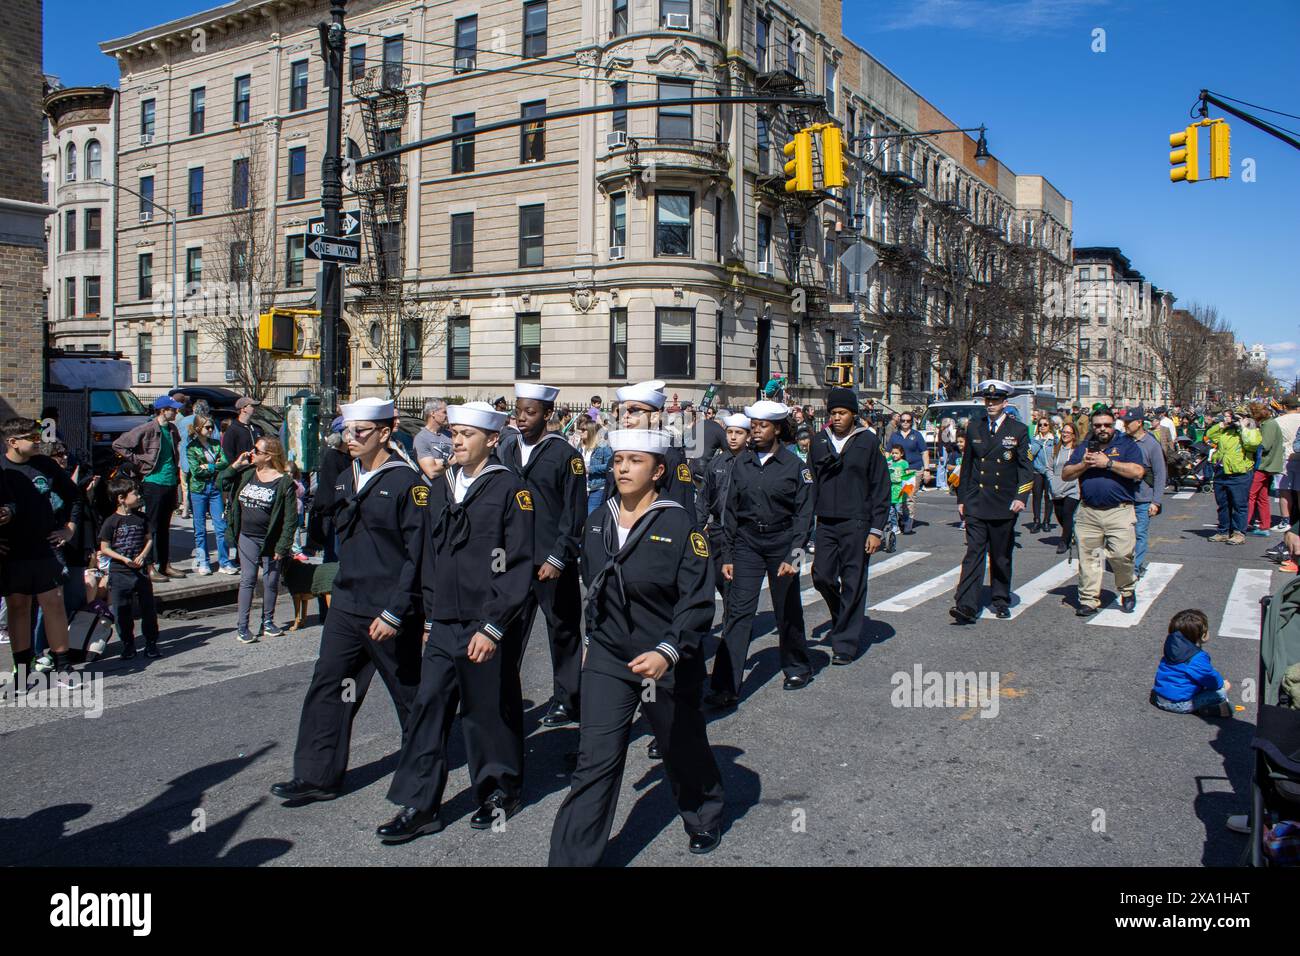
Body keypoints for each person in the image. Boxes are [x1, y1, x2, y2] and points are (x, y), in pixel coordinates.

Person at [549, 428, 724, 865]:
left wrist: (668, 649)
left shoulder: (679, 523)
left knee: (678, 743)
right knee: (595, 760)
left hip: (664, 657)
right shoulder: (597, 520)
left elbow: (697, 600)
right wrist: (593, 640)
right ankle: (571, 859)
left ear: (658, 471)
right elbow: (593, 586)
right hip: (609, 655)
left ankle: (703, 812)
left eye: (635, 461)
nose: (623, 468)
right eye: (619, 459)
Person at [379, 402, 534, 843]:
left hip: (485, 621)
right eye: (455, 433)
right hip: (445, 620)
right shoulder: (441, 485)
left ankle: (499, 790)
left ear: (491, 440)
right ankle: (420, 803)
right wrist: (427, 614)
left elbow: (518, 563)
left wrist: (493, 625)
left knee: (487, 709)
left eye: (468, 434)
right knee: (429, 707)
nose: (458, 441)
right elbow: (426, 554)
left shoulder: (510, 488)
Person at [271, 397, 429, 804]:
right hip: (346, 604)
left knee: (411, 697)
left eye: (360, 431)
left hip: (389, 609)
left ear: (385, 433)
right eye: (347, 431)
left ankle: (422, 784)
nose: (352, 438)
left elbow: (419, 555)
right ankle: (316, 775)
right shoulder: (344, 478)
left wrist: (398, 610)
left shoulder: (407, 484)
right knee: (329, 686)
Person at [708, 400, 813, 705]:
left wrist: (795, 555)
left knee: (786, 609)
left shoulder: (795, 467)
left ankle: (796, 666)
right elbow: (730, 511)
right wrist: (727, 555)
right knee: (738, 612)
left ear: (777, 429)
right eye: (753, 426)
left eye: (762, 426)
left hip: (782, 543)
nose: (755, 431)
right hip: (747, 544)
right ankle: (725, 685)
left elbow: (804, 515)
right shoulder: (743, 462)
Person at [499, 382, 587, 729]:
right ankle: (503, 695)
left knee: (562, 631)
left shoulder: (566, 455)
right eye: (518, 411)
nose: (521, 418)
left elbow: (574, 511)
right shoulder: (505, 450)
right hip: (515, 559)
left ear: (548, 414)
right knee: (507, 630)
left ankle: (567, 700)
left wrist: (559, 556)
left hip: (551, 560)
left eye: (530, 412)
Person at [807, 388, 889, 663]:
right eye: (833, 413)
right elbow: (811, 485)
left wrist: (877, 529)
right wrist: (806, 527)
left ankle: (845, 644)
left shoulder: (867, 441)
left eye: (842, 413)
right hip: (827, 522)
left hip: (857, 522)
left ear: (854, 414)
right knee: (821, 576)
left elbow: (880, 486)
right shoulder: (819, 441)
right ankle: (841, 614)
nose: (837, 418)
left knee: (853, 581)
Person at [0, 418, 81, 686]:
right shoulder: (2, 469)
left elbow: (74, 496)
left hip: (44, 548)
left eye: (39, 436)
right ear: (12, 442)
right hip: (11, 552)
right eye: (31, 438)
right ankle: (22, 672)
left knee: (53, 603)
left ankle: (64, 667)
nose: (38, 441)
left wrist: (69, 529)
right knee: (18, 606)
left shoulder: (44, 465)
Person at [949, 381, 1032, 624]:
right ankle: (966, 605)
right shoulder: (975, 428)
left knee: (1000, 556)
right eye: (988, 400)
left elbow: (1026, 469)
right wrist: (962, 499)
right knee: (973, 553)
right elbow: (967, 467)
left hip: (1004, 503)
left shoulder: (1018, 430)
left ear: (1005, 403)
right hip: (977, 502)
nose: (991, 404)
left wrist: (1021, 497)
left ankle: (1000, 598)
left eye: (995, 401)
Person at [1061, 406, 1146, 617]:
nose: (1102, 429)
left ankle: (1127, 590)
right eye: (1098, 425)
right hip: (1089, 512)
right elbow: (1066, 474)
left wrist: (1108, 463)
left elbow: (1138, 471)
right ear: (1092, 426)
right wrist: (1084, 463)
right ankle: (1089, 599)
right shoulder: (1084, 447)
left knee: (1121, 555)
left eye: (1107, 425)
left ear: (1113, 424)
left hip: (1119, 511)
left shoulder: (1126, 444)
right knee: (1089, 557)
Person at [222, 436, 296, 643]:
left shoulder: (284, 482)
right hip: (246, 535)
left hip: (270, 539)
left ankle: (268, 622)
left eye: (256, 450)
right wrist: (235, 465)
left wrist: (283, 545)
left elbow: (291, 519)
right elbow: (222, 481)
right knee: (248, 579)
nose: (251, 452)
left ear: (269, 456)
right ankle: (243, 627)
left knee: (271, 580)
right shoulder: (246, 474)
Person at [113, 395, 186, 581]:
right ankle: (150, 565)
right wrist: (140, 463)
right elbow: (119, 444)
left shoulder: (171, 429)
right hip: (154, 482)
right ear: (163, 410)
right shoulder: (148, 428)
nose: (176, 412)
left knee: (164, 526)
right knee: (151, 526)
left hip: (170, 482)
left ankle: (165, 563)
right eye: (173, 409)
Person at [98, 477, 160, 660]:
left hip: (140, 570)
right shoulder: (111, 521)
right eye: (134, 493)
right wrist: (124, 559)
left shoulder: (141, 518)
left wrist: (143, 555)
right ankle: (128, 644)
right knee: (122, 611)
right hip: (120, 572)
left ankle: (151, 643)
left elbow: (149, 538)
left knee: (148, 608)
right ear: (121, 498)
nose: (138, 495)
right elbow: (104, 547)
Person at [614, 380, 696, 510]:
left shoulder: (670, 458)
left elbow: (682, 507)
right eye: (623, 410)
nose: (625, 416)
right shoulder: (617, 453)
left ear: (654, 417)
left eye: (634, 410)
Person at [697, 413, 749, 602]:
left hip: (743, 530)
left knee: (736, 580)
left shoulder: (753, 462)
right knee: (718, 576)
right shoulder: (717, 462)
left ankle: (735, 624)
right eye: (730, 432)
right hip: (718, 528)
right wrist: (697, 526)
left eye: (739, 433)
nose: (733, 437)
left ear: (748, 436)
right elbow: (704, 498)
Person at [1150, 608, 1232, 717]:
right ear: (1202, 635)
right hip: (1179, 704)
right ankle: (1208, 710)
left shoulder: (1172, 647)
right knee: (1222, 690)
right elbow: (1212, 681)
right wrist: (1222, 684)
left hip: (1158, 697)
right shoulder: (1196, 657)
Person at [185, 415, 237, 576]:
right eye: (207, 427)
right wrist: (214, 467)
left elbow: (225, 462)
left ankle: (224, 562)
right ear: (198, 428)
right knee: (199, 528)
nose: (210, 430)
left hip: (214, 488)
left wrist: (209, 466)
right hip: (198, 489)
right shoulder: (191, 447)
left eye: (211, 427)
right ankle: (203, 561)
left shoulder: (215, 444)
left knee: (221, 526)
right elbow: (196, 471)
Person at [1122, 407, 1167, 578]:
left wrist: (1156, 501)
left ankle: (1135, 567)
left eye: (1128, 422)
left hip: (1143, 498)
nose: (1125, 425)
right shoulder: (1123, 440)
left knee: (1140, 533)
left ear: (1139, 423)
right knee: (1123, 535)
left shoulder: (1151, 444)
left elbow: (1160, 473)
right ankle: (1125, 563)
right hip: (1124, 497)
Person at [1206, 408, 1261, 545]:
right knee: (1223, 504)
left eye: (1232, 417)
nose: (1228, 419)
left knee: (1239, 504)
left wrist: (1243, 426)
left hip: (1240, 473)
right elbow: (1209, 435)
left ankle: (1238, 532)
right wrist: (1221, 425)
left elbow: (1252, 444)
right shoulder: (1225, 431)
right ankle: (1223, 531)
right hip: (1222, 471)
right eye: (1226, 417)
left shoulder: (1251, 431)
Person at [1249, 401, 1283, 537]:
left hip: (1264, 464)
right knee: (1262, 496)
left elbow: (1265, 445)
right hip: (1268, 464)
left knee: (1250, 495)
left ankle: (1243, 524)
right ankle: (1264, 525)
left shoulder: (1269, 425)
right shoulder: (1269, 423)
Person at [1049, 421, 1082, 555]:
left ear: (1074, 435)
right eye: (1064, 432)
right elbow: (1049, 467)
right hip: (1056, 487)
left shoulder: (1077, 451)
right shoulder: (1055, 449)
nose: (1065, 435)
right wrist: (1051, 480)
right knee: (1060, 515)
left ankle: (1064, 541)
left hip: (1072, 488)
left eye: (1068, 433)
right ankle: (1070, 532)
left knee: (1068, 514)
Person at [887, 412, 929, 517]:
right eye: (903, 420)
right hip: (897, 470)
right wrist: (887, 465)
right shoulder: (894, 435)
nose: (905, 423)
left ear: (911, 422)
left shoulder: (916, 435)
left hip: (913, 469)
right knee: (898, 496)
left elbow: (924, 452)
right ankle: (901, 518)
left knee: (909, 496)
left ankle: (908, 521)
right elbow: (888, 451)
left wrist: (927, 470)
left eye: (908, 421)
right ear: (899, 421)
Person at [576, 414, 613, 514]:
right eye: (580, 429)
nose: (581, 432)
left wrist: (590, 469)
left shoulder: (603, 447)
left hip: (597, 487)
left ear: (591, 431)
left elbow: (610, 465)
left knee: (591, 514)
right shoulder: (579, 446)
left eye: (584, 430)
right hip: (582, 486)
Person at [1027, 418, 1058, 534]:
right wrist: (1039, 442)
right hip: (1037, 471)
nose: (1042, 426)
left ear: (1050, 426)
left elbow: (1056, 454)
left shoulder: (1054, 439)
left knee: (1049, 497)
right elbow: (1031, 453)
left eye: (1045, 424)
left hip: (1050, 471)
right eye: (1040, 425)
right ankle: (1036, 521)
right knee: (1037, 496)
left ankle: (1046, 521)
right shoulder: (1035, 439)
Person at [884, 446, 915, 554]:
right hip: (891, 487)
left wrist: (908, 486)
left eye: (896, 453)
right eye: (892, 453)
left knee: (899, 509)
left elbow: (908, 475)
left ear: (901, 454)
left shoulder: (904, 463)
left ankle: (905, 521)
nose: (894, 455)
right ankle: (894, 526)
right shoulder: (889, 461)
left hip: (900, 488)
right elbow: (884, 466)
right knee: (891, 509)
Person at [413, 398, 454, 481]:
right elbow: (431, 472)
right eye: (444, 412)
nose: (448, 415)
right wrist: (452, 462)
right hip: (431, 489)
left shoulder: (451, 435)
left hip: (451, 487)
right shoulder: (421, 438)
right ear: (433, 413)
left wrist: (438, 462)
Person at [220, 396, 263, 464]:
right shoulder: (232, 430)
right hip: (242, 471)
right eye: (252, 406)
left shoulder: (258, 429)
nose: (255, 408)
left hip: (258, 469)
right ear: (243, 409)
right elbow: (228, 455)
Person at [174, 394, 194, 519]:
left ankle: (184, 508)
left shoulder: (180, 419)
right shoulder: (182, 419)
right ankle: (185, 507)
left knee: (185, 485)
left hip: (183, 458)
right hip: (190, 457)